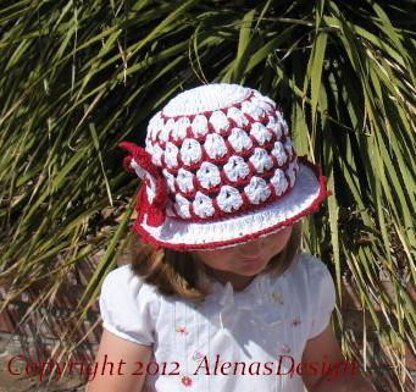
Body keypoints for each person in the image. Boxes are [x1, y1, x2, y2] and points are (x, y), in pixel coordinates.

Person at [87, 84, 376, 392]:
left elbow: (325, 372)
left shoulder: (303, 283)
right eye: (233, 239)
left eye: (271, 227)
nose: (257, 246)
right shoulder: (144, 298)